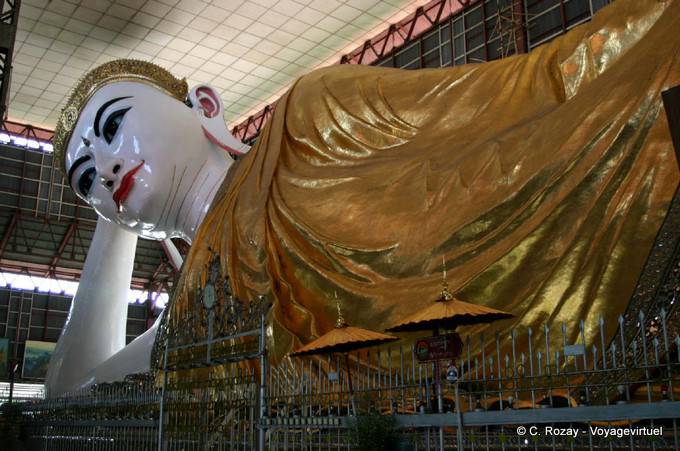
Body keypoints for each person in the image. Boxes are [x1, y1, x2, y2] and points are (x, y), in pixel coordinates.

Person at [46, 0, 680, 396]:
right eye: (84, 181)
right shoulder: (192, 316)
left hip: (540, 225)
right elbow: (70, 394)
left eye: (112, 126)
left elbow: (510, 99)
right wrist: (118, 217)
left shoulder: (311, 114)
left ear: (205, 107)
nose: (103, 168)